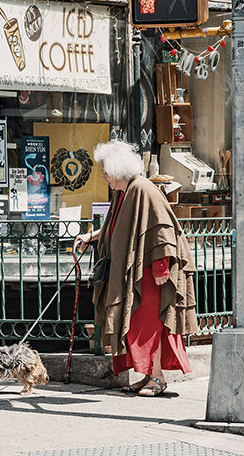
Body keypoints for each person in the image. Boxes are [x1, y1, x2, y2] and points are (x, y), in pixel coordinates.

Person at [73, 139, 198, 396]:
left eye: (106, 172)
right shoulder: (124, 191)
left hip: (150, 274)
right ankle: (146, 376)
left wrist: (163, 268)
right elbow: (114, 226)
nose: (105, 177)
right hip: (137, 272)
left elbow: (162, 229)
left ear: (118, 170)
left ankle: (158, 378)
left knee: (149, 324)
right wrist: (91, 237)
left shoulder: (143, 189)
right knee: (136, 323)